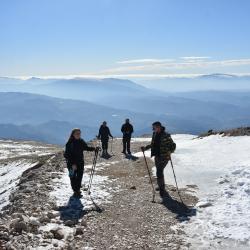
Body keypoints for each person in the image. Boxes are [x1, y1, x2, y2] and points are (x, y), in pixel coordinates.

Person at [141, 122, 176, 196]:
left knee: (159, 171)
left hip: (164, 156)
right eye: (153, 127)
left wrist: (169, 152)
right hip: (157, 156)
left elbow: (173, 145)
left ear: (159, 127)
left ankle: (162, 189)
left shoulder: (166, 135)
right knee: (159, 171)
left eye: (154, 127)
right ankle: (161, 186)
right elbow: (153, 144)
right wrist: (145, 148)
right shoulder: (155, 134)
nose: (153, 129)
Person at [64, 128, 99, 198]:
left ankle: (77, 189)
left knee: (79, 176)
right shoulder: (69, 143)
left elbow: (86, 148)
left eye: (79, 133)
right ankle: (75, 190)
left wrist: (94, 149)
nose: (78, 135)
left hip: (80, 162)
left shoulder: (81, 141)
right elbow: (66, 155)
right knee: (72, 177)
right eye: (77, 133)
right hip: (71, 164)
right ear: (73, 134)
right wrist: (72, 164)